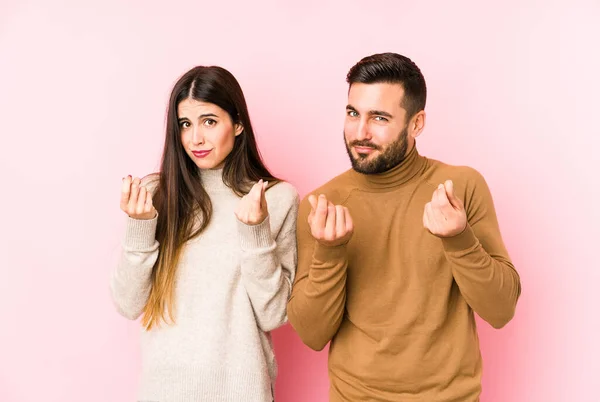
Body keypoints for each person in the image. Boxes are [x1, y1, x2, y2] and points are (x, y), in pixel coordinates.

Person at [287, 53, 521, 401]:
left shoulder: (460, 187)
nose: (360, 132)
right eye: (353, 113)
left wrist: (460, 240)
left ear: (417, 123)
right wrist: (329, 252)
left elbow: (501, 310)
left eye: (379, 117)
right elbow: (312, 334)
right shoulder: (322, 204)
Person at [110, 65, 299, 402]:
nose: (195, 138)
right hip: (163, 390)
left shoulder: (275, 199)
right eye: (185, 124)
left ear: (237, 123)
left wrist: (255, 235)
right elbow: (127, 303)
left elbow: (274, 315)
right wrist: (139, 228)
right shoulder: (156, 194)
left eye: (209, 121)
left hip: (242, 392)